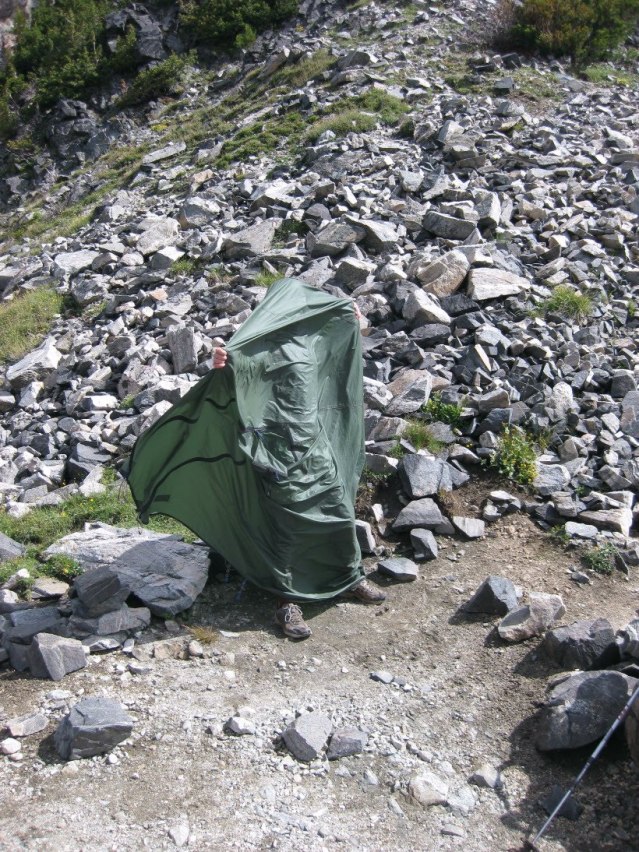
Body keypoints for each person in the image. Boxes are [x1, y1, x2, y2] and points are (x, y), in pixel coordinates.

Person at [127, 278, 385, 641]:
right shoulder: (257, 347)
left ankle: (348, 578)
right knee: (286, 526)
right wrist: (222, 362)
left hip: (315, 445)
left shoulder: (311, 337)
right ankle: (287, 601)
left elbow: (341, 337)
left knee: (338, 511)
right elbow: (234, 371)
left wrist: (351, 317)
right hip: (275, 452)